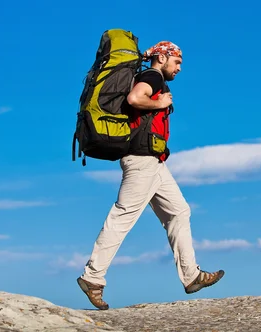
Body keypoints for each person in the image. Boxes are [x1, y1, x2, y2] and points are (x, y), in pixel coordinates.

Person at [76, 41, 224, 310]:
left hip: (154, 164)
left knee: (179, 212)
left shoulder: (152, 76)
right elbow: (135, 99)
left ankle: (191, 275)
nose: (179, 68)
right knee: (122, 217)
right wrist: (159, 101)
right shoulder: (152, 76)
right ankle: (92, 277)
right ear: (163, 57)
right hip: (142, 161)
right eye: (177, 62)